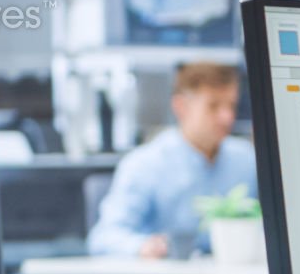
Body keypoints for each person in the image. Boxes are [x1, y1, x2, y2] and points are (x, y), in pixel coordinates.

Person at [88, 61, 255, 258]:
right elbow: (103, 238)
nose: (227, 117)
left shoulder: (247, 160)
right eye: (213, 106)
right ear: (181, 106)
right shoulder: (145, 164)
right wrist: (143, 247)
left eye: (231, 105)